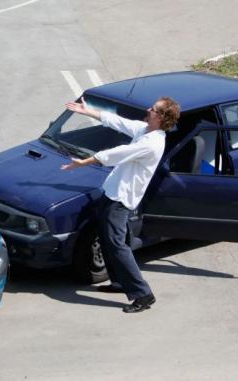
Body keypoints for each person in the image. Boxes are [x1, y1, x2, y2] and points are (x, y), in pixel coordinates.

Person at [61, 96, 180, 313]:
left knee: (117, 245)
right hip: (113, 192)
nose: (148, 108)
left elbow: (118, 154)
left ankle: (143, 295)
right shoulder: (145, 130)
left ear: (161, 117)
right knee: (111, 239)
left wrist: (85, 161)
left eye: (153, 109)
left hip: (120, 199)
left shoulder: (152, 143)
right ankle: (118, 282)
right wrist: (87, 111)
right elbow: (117, 121)